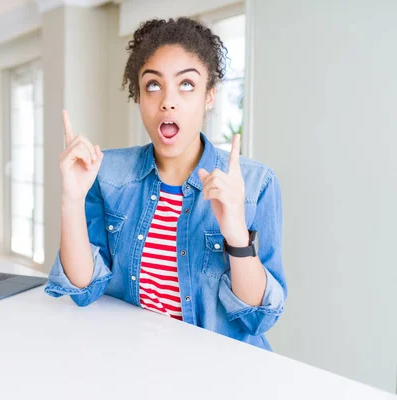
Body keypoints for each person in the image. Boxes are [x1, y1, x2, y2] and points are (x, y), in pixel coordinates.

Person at [45, 17, 286, 351]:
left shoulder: (255, 182)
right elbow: (83, 288)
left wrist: (236, 234)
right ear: (139, 97)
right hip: (137, 361)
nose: (167, 102)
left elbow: (257, 318)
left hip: (222, 369)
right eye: (153, 85)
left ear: (209, 96)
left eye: (186, 84)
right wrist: (71, 198)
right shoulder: (108, 172)